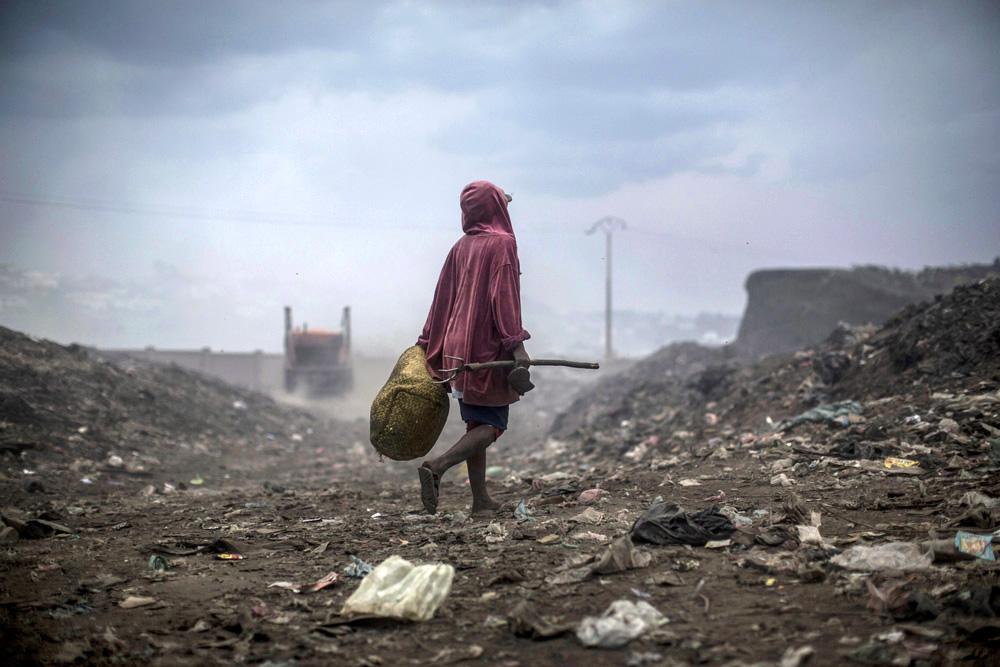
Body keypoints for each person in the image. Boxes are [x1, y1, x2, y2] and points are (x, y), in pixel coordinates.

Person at [416, 180, 530, 515]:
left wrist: (426, 341)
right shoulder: (503, 244)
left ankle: (481, 501)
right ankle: (437, 466)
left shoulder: (460, 246)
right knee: (493, 424)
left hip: (456, 350)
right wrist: (516, 345)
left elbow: (442, 298)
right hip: (486, 349)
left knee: (476, 422)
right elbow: (504, 298)